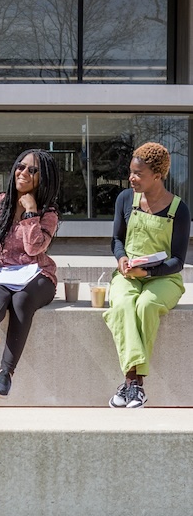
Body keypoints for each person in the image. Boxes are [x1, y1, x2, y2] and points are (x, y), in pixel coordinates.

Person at [104, 142, 190, 409]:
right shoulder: (125, 199)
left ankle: (132, 384)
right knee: (122, 304)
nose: (132, 178)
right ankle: (134, 385)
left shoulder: (179, 209)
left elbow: (178, 261)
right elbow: (117, 239)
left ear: (157, 175)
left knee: (147, 305)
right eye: (131, 171)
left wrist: (150, 271)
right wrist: (121, 260)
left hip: (165, 278)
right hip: (128, 275)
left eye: (138, 173)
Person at [0, 149, 61, 399]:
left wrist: (31, 212)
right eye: (20, 167)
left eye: (32, 170)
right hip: (3, 272)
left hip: (38, 276)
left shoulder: (48, 213)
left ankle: (5, 374)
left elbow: (34, 248)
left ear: (44, 178)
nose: (23, 173)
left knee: (21, 299)